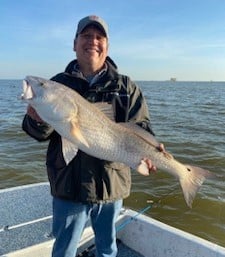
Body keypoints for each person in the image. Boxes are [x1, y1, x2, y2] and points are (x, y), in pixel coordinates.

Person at [22, 15, 163, 257]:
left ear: (107, 45)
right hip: (69, 186)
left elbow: (142, 126)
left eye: (99, 37)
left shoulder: (125, 86)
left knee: (107, 249)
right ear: (74, 43)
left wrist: (151, 151)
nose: (93, 41)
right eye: (86, 36)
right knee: (64, 250)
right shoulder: (58, 84)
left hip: (111, 184)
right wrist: (36, 118)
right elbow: (39, 133)